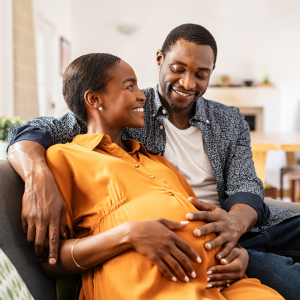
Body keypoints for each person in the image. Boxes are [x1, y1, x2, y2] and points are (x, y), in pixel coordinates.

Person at [7, 24, 300, 299]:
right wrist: (37, 175)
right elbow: (34, 129)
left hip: (235, 229)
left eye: (201, 74)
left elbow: (246, 183)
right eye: (178, 69)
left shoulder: (226, 120)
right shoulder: (127, 111)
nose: (188, 83)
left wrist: (234, 226)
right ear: (160, 59)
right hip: (198, 251)